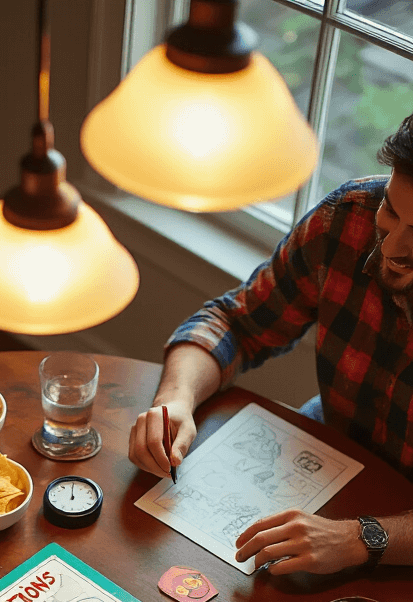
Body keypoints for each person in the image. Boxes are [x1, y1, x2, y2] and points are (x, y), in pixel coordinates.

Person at [129, 111, 413, 575]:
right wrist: (174, 400)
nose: (393, 248)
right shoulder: (350, 217)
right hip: (322, 458)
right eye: (393, 212)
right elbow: (235, 323)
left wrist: (364, 537)